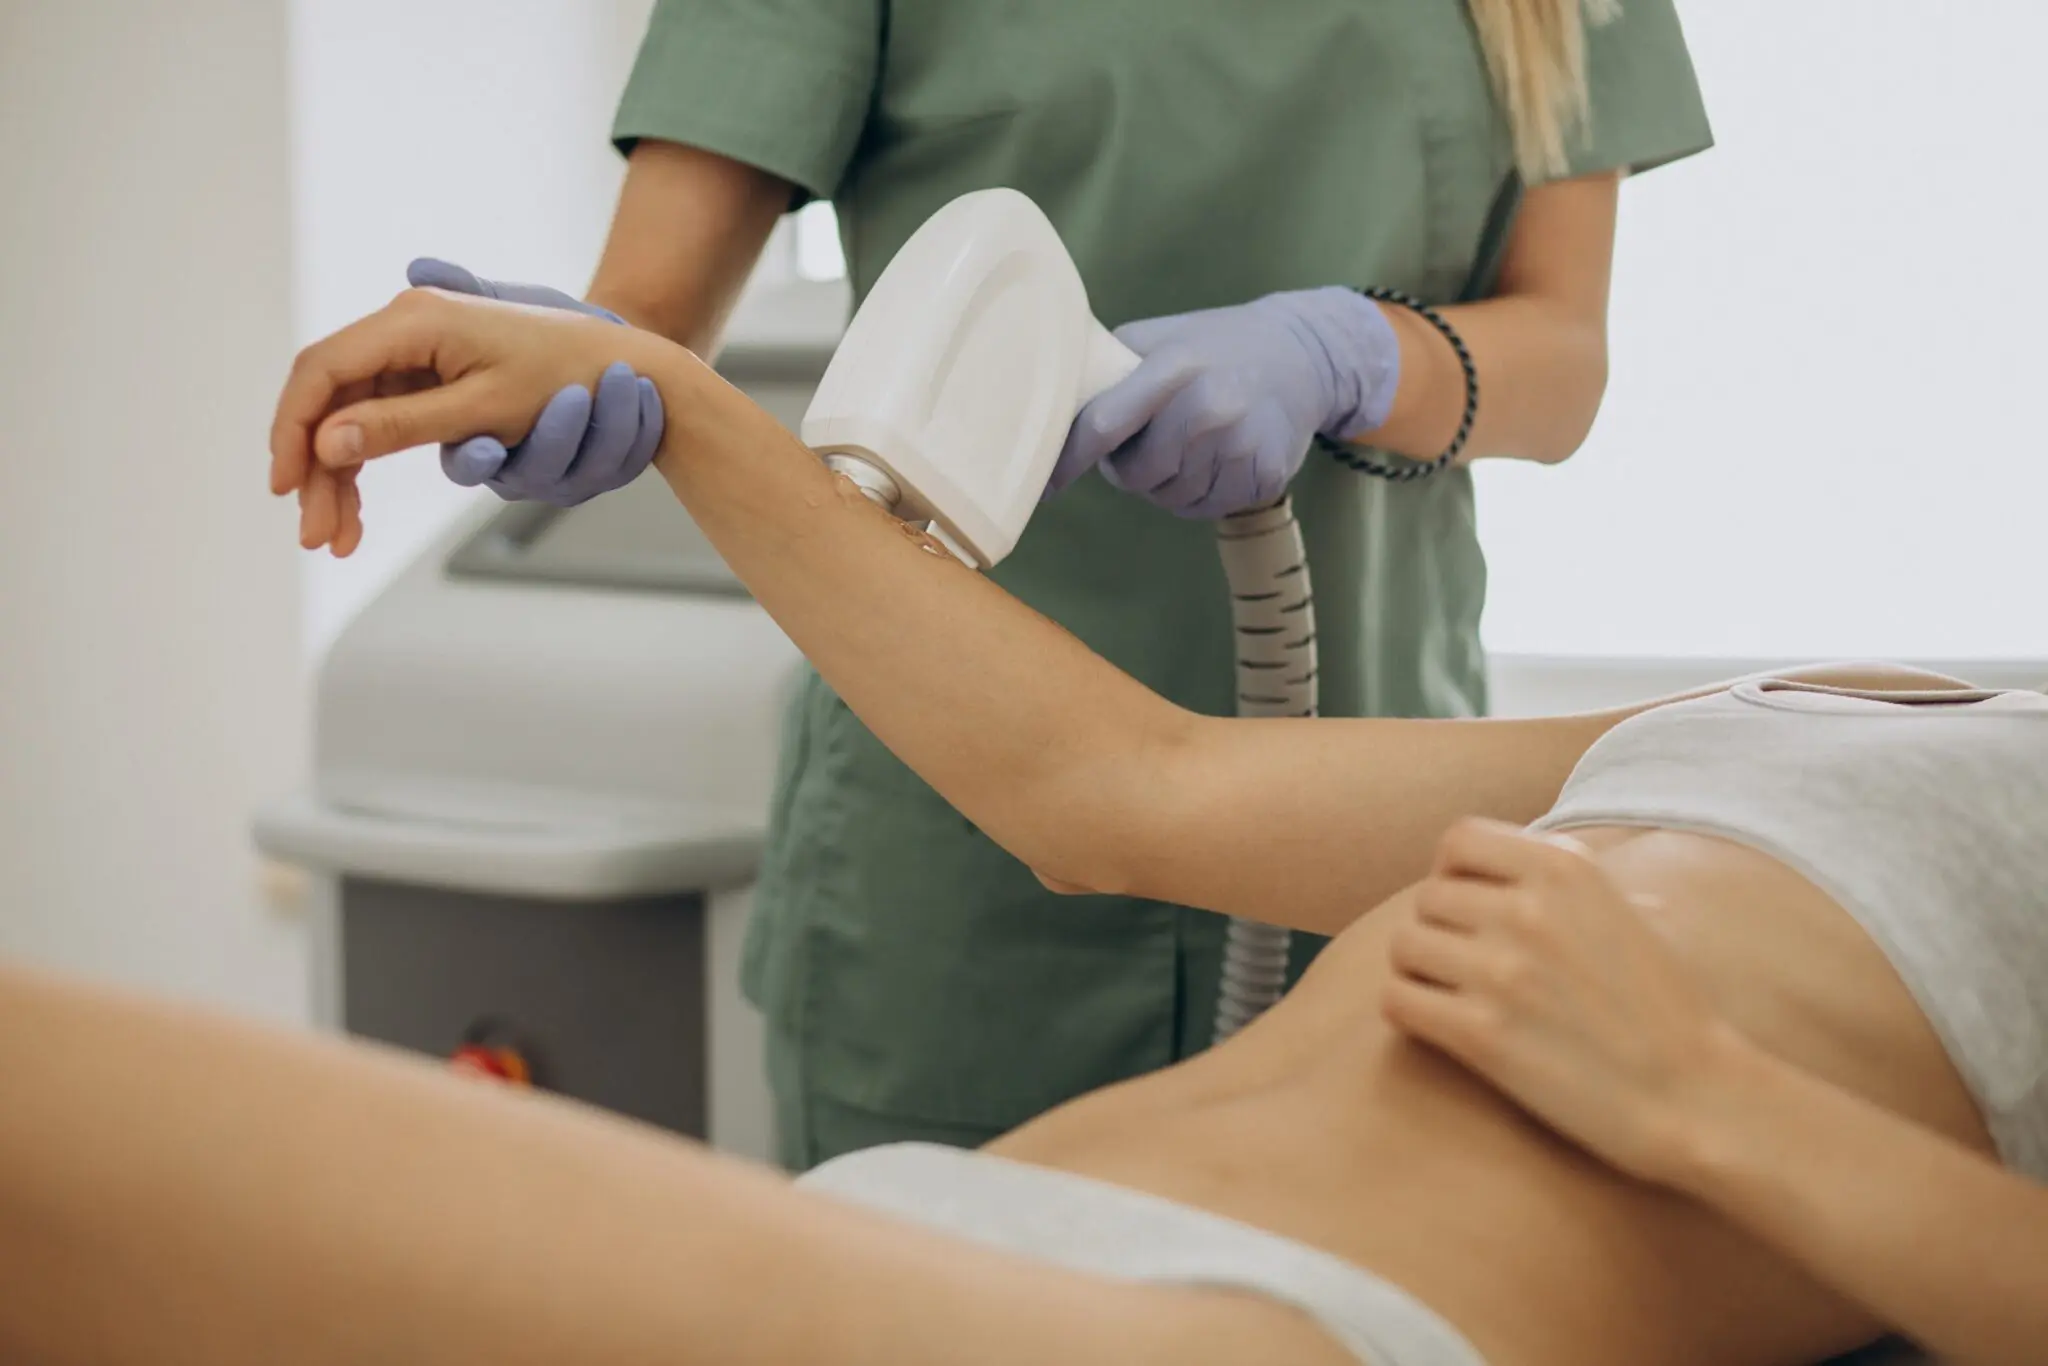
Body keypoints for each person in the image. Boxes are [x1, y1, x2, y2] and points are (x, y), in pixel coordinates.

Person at [12, 288, 2041, 1366]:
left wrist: (1694, 1093)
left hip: (1245, 1329)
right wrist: (677, 396)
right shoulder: (1860, 698)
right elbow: (1117, 792)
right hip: (946, 1231)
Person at [296, 0, 1716, 1168]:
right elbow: (652, 316)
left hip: (1363, 825)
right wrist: (576, 368)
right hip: (951, 867)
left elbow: (1564, 359)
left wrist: (1347, 352)